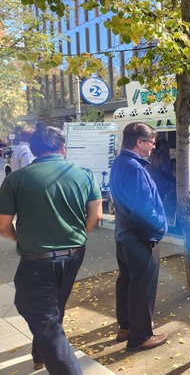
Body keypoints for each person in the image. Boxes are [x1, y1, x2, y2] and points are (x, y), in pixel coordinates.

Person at [0, 126, 102, 374]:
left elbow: (3, 226)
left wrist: (22, 240)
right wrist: (75, 238)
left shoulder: (16, 179)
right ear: (63, 147)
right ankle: (40, 357)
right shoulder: (84, 174)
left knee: (38, 312)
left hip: (37, 259)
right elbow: (96, 215)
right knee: (53, 307)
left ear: (33, 151)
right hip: (75, 254)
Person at [110, 122, 168, 351]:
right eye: (151, 142)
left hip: (125, 235)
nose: (153, 147)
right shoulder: (134, 168)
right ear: (139, 142)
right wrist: (162, 227)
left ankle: (126, 327)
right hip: (141, 237)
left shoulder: (120, 162)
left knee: (127, 281)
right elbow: (142, 209)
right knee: (142, 286)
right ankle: (141, 336)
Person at [146, 138, 176, 217]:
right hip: (163, 187)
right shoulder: (164, 157)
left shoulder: (152, 156)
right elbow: (167, 172)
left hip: (153, 186)